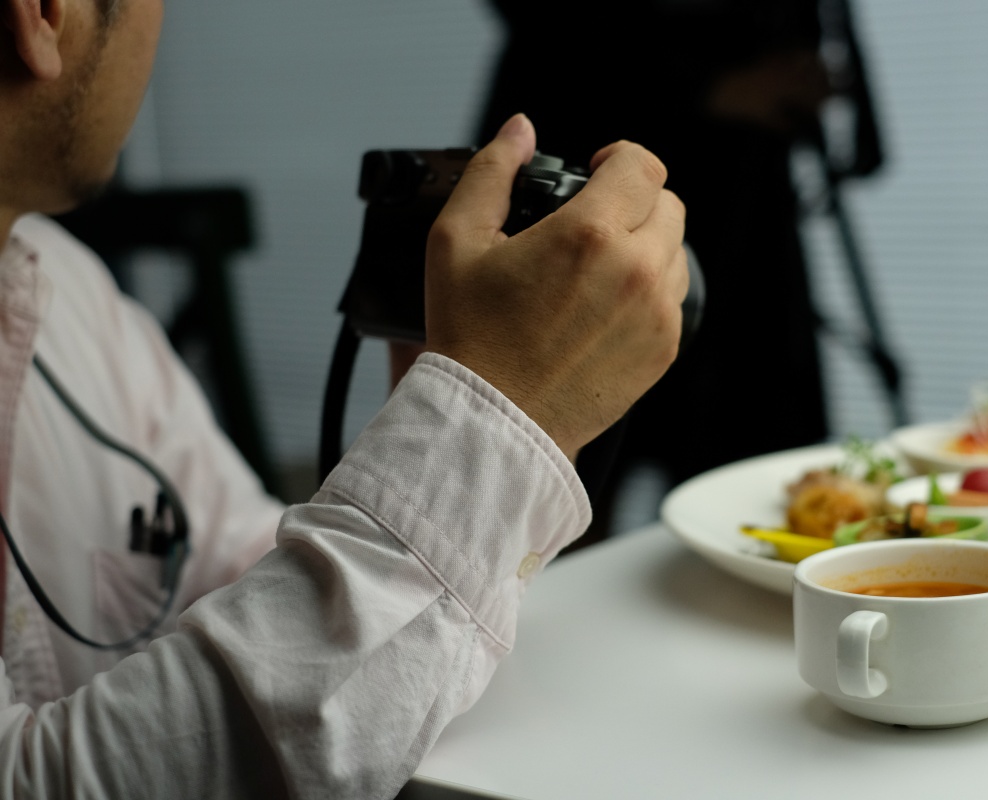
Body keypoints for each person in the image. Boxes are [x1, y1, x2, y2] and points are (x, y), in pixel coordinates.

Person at [0, 0, 688, 796]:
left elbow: (240, 572)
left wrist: (442, 446)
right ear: (46, 14)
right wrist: (490, 430)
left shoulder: (67, 292)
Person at [478, 1, 884, 537]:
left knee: (761, 496)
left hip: (750, 221)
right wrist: (707, 83)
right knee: (543, 501)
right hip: (588, 185)